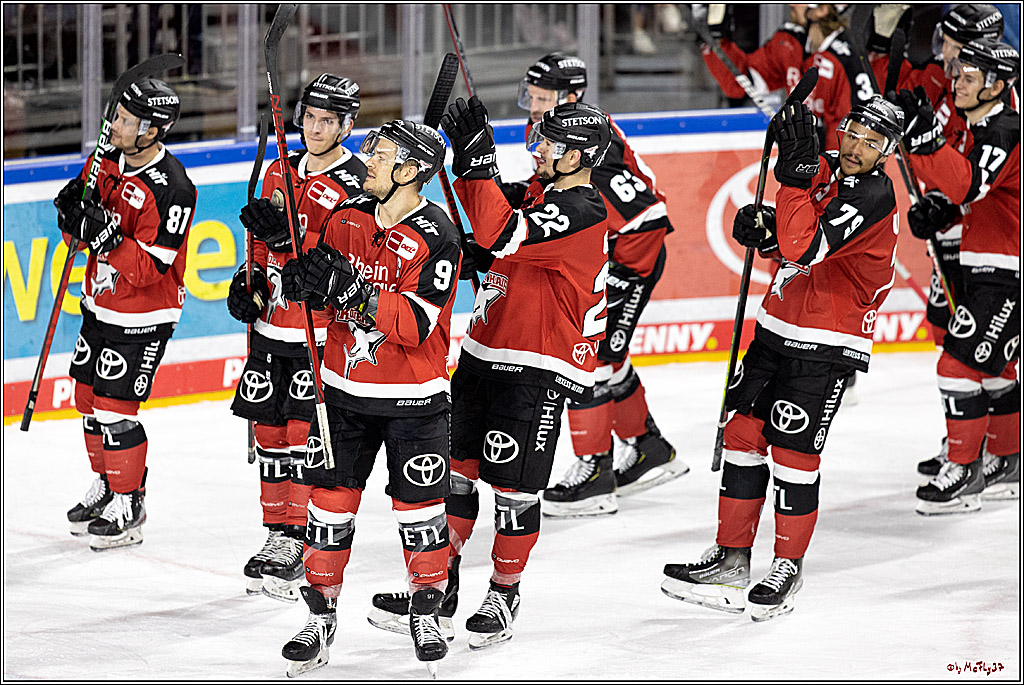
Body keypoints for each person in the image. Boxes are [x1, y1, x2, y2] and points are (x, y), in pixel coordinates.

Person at [364, 98, 612, 650]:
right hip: (483, 351)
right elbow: (483, 233)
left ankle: (505, 589)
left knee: (513, 488)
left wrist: (477, 159)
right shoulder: (540, 194)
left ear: (578, 156)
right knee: (454, 472)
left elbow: (500, 233)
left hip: (537, 366)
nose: (537, 148)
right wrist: (469, 173)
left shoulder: (585, 209)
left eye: (548, 143)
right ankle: (441, 586)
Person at [661, 95, 904, 621]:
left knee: (793, 455)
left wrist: (789, 191)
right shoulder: (824, 169)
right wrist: (762, 229)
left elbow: (807, 246)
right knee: (743, 437)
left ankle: (787, 564)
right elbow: (787, 239)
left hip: (827, 342)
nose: (858, 146)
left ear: (888, 152)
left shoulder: (875, 193)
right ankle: (731, 557)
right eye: (855, 131)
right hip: (775, 328)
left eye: (873, 142)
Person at [276, 119, 460, 676]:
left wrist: (352, 292)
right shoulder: (347, 217)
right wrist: (300, 282)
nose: (366, 159)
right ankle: (319, 618)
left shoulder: (438, 235)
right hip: (341, 396)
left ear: (409, 171)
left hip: (415, 401)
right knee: (327, 510)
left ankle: (425, 613)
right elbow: (323, 303)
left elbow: (415, 325)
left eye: (379, 154)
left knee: (421, 515)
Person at [512, 52, 685, 519]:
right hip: (606, 255)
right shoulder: (559, 128)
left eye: (542, 96)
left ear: (571, 97)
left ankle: (595, 472)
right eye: (530, 94)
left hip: (632, 255)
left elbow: (646, 214)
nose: (532, 104)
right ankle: (649, 448)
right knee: (608, 356)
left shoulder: (590, 141)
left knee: (592, 360)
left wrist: (622, 274)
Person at [228, 73, 366, 602]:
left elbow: (346, 259)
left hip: (319, 335)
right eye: (309, 117)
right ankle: (277, 533)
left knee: (305, 439)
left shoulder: (356, 183)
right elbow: (258, 248)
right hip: (272, 330)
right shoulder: (278, 170)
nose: (314, 127)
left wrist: (291, 242)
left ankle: (303, 537)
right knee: (270, 435)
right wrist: (250, 284)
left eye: (327, 120)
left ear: (347, 125)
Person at [57, 79, 196, 551]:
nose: (111, 124)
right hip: (98, 303)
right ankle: (105, 483)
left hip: (143, 314)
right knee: (86, 399)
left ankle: (129, 503)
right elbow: (77, 239)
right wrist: (72, 221)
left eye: (122, 118)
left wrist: (104, 236)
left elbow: (148, 270)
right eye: (113, 115)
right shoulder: (104, 162)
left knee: (116, 411)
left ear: (152, 129)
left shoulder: (173, 188)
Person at [879, 4, 1006, 476]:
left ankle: (986, 448)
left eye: (953, 45)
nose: (945, 55)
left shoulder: (997, 104)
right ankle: (971, 439)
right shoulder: (950, 81)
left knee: (972, 356)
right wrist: (879, 46)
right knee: (947, 333)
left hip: (986, 240)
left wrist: (948, 204)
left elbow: (976, 179)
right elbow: (894, 95)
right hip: (963, 235)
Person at [896, 39, 1020, 514]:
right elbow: (976, 195)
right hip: (989, 264)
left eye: (968, 77)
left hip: (1008, 272)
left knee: (957, 366)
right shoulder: (983, 128)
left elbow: (970, 182)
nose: (957, 83)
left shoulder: (1005, 129)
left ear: (996, 82)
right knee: (994, 370)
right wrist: (941, 210)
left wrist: (927, 143)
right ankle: (1008, 461)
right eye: (958, 75)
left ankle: (965, 469)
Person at [698, 4, 880, 149]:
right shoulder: (789, 44)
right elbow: (739, 84)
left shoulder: (848, 60)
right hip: (802, 170)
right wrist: (717, 39)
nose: (791, 4)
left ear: (822, 9)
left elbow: (856, 137)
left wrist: (822, 162)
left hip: (835, 177)